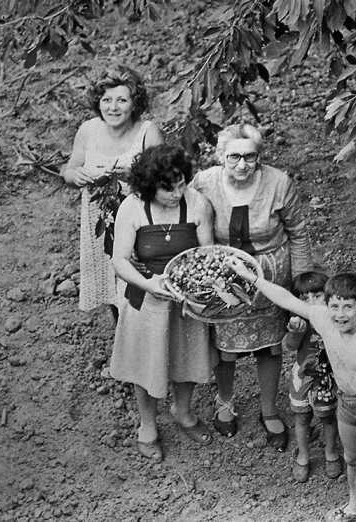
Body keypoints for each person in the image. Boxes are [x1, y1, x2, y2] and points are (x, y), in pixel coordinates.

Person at [224, 258, 356, 522]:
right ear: (327, 307)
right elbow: (284, 298)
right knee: (352, 461)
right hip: (346, 405)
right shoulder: (323, 319)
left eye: (348, 307)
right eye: (335, 306)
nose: (340, 314)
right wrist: (251, 278)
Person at [190, 123, 312, 451]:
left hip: (271, 279)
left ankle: (268, 410)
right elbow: (184, 214)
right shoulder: (203, 182)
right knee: (226, 348)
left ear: (259, 157)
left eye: (250, 156)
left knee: (270, 346)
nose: (242, 164)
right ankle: (224, 403)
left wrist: (300, 287)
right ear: (220, 156)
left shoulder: (279, 183)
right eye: (234, 157)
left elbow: (299, 232)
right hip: (224, 278)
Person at [109, 145, 218, 463]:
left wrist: (198, 288)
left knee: (186, 357)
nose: (177, 192)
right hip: (146, 297)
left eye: (182, 182)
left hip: (185, 298)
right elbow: (119, 260)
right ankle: (147, 426)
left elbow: (206, 254)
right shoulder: (132, 207)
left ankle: (182, 411)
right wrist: (148, 283)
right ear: (149, 187)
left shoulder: (197, 204)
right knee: (146, 364)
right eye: (167, 188)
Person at [62, 65, 164, 319]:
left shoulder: (148, 132)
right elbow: (69, 170)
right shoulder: (88, 130)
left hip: (141, 221)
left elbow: (165, 178)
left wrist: (134, 174)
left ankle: (145, 348)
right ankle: (124, 349)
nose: (113, 107)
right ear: (98, 103)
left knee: (140, 287)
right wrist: (76, 176)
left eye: (122, 99)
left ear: (134, 103)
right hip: (102, 223)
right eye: (106, 100)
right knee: (111, 286)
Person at [282, 271, 341, 483]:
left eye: (317, 296)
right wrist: (295, 332)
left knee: (327, 415)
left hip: (326, 375)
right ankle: (303, 455)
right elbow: (290, 347)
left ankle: (331, 452)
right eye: (303, 299)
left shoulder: (334, 319)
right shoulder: (298, 321)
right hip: (302, 375)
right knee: (302, 416)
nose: (310, 303)